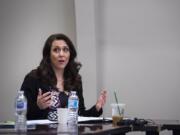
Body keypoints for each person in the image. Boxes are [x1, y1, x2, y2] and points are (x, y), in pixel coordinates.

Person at [21, 33, 107, 120]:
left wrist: (96, 108)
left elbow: (80, 115)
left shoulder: (75, 79)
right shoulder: (34, 78)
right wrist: (38, 106)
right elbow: (21, 113)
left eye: (65, 50)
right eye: (56, 50)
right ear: (48, 54)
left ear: (70, 54)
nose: (61, 54)